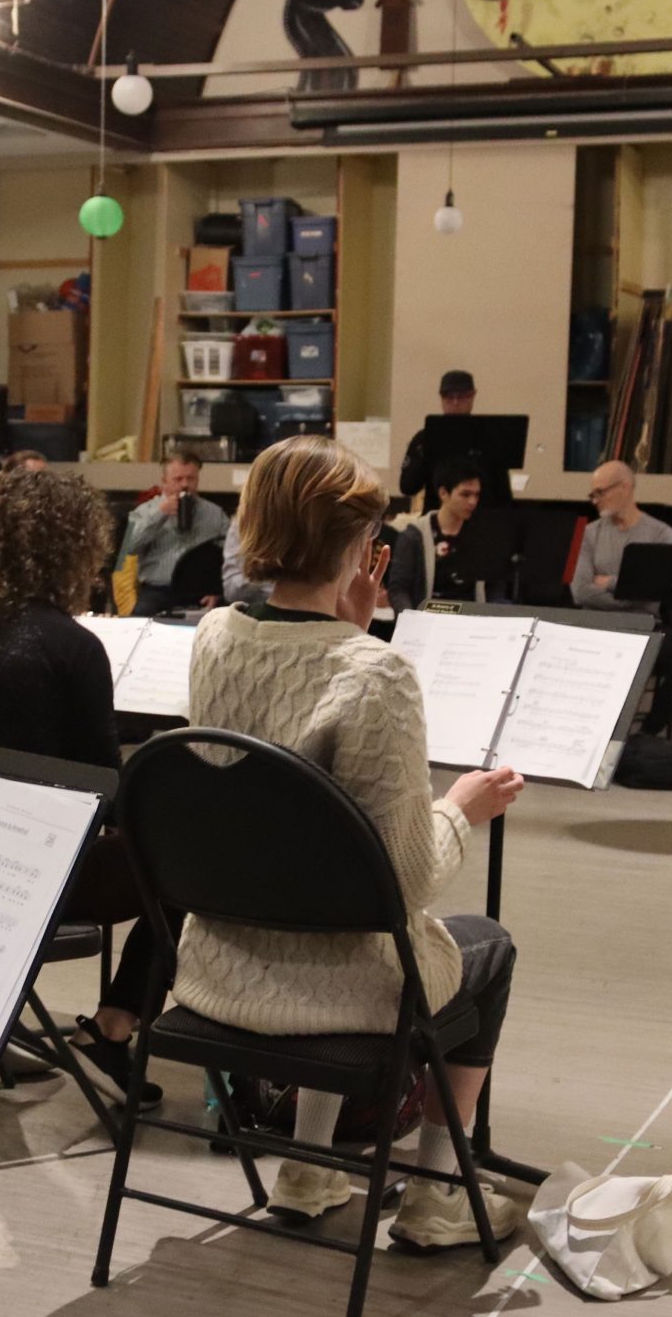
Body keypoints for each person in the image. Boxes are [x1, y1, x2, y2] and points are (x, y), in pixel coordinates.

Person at [179, 436, 527, 1244]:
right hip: (334, 983)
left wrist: (348, 627)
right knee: (490, 948)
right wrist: (461, 810)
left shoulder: (215, 638)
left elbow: (276, 809)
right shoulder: (377, 673)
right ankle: (440, 1195)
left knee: (320, 902)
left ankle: (307, 1168)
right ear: (353, 544)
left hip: (219, 960)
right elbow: (405, 878)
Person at [0, 468, 164, 1098]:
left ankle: (0, 1028)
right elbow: (105, 791)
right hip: (34, 876)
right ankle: (112, 1030)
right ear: (76, 547)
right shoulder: (72, 647)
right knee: (189, 860)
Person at [574, 461, 672, 737]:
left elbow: (655, 594)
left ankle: (647, 734)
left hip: (644, 625)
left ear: (625, 487)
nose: (595, 500)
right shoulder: (589, 533)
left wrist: (609, 582)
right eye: (593, 494)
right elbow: (580, 591)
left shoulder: (661, 534)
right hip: (597, 625)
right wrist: (629, 592)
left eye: (600, 492)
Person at [120, 456, 228, 616]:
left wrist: (217, 589)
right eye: (178, 479)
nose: (185, 484)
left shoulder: (215, 514)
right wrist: (159, 514)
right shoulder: (144, 511)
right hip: (158, 591)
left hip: (200, 592)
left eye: (191, 479)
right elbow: (129, 548)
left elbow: (232, 554)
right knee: (139, 617)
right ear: (164, 481)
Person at [384, 451, 486, 615]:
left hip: (470, 624)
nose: (472, 502)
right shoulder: (414, 536)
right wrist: (412, 619)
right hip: (429, 622)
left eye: (476, 495)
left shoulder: (481, 536)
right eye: (465, 494)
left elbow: (495, 587)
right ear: (443, 493)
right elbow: (398, 589)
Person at [396, 368, 477, 513]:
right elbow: (407, 486)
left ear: (472, 396)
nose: (455, 402)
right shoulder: (424, 437)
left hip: (479, 517)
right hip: (436, 515)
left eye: (462, 396)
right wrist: (424, 453)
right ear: (441, 398)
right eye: (448, 397)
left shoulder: (485, 435)